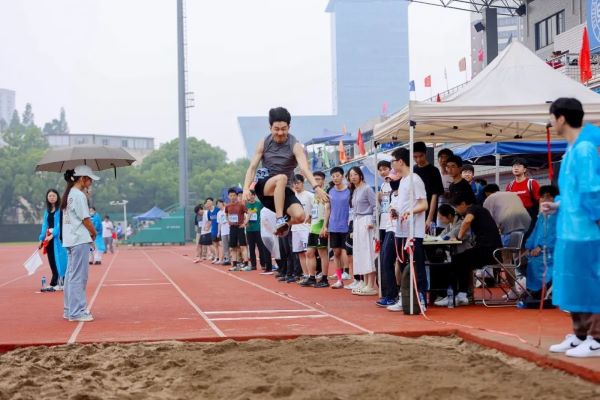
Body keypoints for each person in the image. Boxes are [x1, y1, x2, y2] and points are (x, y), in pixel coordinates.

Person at [544, 98, 600, 358]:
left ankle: (597, 338)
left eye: (552, 118)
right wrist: (557, 205)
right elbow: (574, 193)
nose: (551, 123)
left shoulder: (584, 149)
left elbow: (592, 191)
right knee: (572, 282)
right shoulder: (571, 149)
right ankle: (580, 334)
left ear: (562, 118)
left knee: (591, 282)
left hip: (587, 231)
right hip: (570, 230)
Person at [242, 107, 328, 236]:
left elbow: (304, 168)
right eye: (276, 129)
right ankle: (279, 219)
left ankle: (283, 225)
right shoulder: (264, 143)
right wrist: (245, 188)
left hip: (283, 191)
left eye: (284, 129)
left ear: (289, 127)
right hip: (265, 186)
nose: (280, 133)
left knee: (300, 216)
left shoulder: (295, 145)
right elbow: (252, 167)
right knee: (281, 177)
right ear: (270, 128)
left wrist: (317, 188)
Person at [434, 192, 502, 307]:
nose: (456, 210)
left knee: (458, 260)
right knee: (461, 259)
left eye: (456, 207)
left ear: (463, 204)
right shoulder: (481, 210)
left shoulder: (473, 209)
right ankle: (461, 294)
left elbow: (467, 221)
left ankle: (458, 295)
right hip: (491, 249)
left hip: (488, 251)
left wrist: (458, 237)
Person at [389, 148, 429, 308]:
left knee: (416, 265)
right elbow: (403, 204)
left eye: (392, 161)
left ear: (400, 161)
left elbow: (424, 204)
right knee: (403, 264)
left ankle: (421, 299)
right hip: (401, 229)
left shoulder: (415, 179)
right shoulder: (403, 180)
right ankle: (405, 298)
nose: (392, 165)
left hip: (413, 231)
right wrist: (396, 211)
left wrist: (409, 211)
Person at [61, 165, 99, 322]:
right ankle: (77, 312)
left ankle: (69, 309)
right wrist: (94, 233)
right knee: (78, 277)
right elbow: (86, 219)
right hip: (79, 239)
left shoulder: (70, 194)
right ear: (82, 179)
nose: (91, 183)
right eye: (90, 180)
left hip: (71, 239)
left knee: (71, 276)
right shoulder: (78, 195)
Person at [347, 167, 378, 296]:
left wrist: (373, 221)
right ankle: (365, 282)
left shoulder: (367, 189)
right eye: (351, 175)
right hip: (358, 221)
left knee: (368, 252)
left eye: (355, 174)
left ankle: (371, 284)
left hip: (367, 221)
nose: (353, 177)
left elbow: (375, 206)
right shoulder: (355, 190)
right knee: (359, 252)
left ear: (361, 175)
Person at [525, 185, 558, 298]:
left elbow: (554, 235)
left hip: (551, 251)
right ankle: (534, 290)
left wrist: (541, 246)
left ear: (555, 199)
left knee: (537, 262)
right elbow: (534, 233)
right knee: (525, 260)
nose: (544, 200)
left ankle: (542, 290)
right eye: (542, 197)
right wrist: (528, 246)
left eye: (548, 197)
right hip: (538, 250)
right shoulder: (541, 216)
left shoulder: (558, 216)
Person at [37, 189, 68, 291]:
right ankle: (54, 281)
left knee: (60, 259)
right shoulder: (47, 211)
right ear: (47, 198)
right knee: (51, 260)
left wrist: (53, 235)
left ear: (57, 197)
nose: (52, 198)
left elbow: (60, 224)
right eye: (50, 196)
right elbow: (44, 225)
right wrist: (41, 239)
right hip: (49, 239)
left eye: (54, 196)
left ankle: (62, 281)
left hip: (58, 239)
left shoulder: (61, 210)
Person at [326, 167, 351, 289]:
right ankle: (339, 279)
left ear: (342, 176)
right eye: (333, 176)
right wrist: (325, 226)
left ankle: (349, 274)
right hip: (334, 226)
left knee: (346, 251)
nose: (335, 178)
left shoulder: (349, 190)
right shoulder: (330, 191)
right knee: (336, 252)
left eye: (337, 176)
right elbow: (328, 208)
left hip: (346, 226)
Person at [506, 158, 540, 242]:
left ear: (524, 169)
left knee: (528, 242)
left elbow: (540, 201)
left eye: (519, 166)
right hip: (515, 218)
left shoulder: (531, 183)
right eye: (514, 166)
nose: (516, 168)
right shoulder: (510, 186)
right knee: (515, 243)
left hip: (530, 217)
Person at [413, 142, 444, 231]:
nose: (418, 159)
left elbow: (435, 195)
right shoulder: (413, 170)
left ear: (426, 153)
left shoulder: (434, 171)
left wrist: (429, 218)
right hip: (415, 210)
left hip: (429, 210)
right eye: (415, 157)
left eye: (421, 156)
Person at [306, 171, 330, 288]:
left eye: (318, 179)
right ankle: (312, 277)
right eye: (314, 179)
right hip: (313, 228)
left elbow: (327, 210)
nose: (316, 181)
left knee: (322, 253)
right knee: (309, 253)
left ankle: (324, 279)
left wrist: (324, 226)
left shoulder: (324, 194)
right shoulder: (314, 195)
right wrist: (310, 216)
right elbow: (315, 210)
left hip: (321, 228)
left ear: (323, 181)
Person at [292, 175, 315, 286]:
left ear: (302, 183)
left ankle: (311, 275)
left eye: (298, 183)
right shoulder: (292, 197)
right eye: (294, 183)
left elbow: (315, 209)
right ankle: (305, 275)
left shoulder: (309, 195)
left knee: (308, 253)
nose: (296, 185)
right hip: (295, 229)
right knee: (300, 253)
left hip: (306, 228)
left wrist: (311, 217)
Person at [245, 191, 271, 271]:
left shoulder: (259, 204)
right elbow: (244, 215)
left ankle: (263, 264)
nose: (251, 196)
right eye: (250, 195)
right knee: (251, 247)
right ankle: (253, 265)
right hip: (249, 229)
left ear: (254, 196)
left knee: (260, 247)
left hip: (258, 229)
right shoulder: (246, 205)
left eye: (252, 195)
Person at [225, 188, 249, 271]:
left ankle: (246, 264)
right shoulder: (227, 206)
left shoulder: (241, 205)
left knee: (243, 246)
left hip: (240, 227)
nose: (232, 197)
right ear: (228, 196)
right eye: (231, 195)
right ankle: (234, 265)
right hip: (232, 228)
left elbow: (249, 213)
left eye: (234, 195)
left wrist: (245, 223)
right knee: (233, 247)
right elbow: (226, 214)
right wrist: (228, 221)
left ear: (236, 196)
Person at [216, 200, 231, 266]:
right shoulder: (218, 213)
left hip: (229, 230)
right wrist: (218, 232)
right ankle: (227, 259)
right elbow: (219, 223)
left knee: (231, 245)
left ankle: (232, 258)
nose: (219, 205)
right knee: (225, 246)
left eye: (219, 203)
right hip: (223, 231)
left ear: (222, 203)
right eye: (217, 204)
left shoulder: (227, 209)